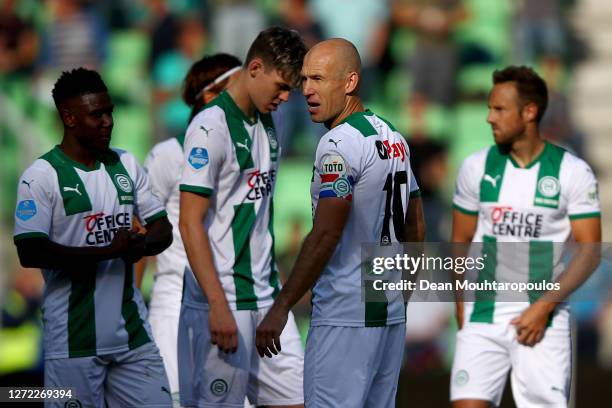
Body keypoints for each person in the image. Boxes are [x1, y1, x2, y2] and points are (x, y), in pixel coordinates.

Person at [256, 38, 426, 408]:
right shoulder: (393, 137)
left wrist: (282, 305)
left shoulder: (338, 144)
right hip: (387, 311)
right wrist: (401, 294)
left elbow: (326, 234)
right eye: (304, 80)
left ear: (349, 83)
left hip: (344, 313)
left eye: (318, 78)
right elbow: (416, 227)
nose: (307, 90)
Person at [13, 68, 173, 407]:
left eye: (110, 111)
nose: (108, 122)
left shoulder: (126, 164)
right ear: (69, 118)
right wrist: (107, 250)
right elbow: (30, 251)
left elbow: (162, 227)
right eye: (96, 114)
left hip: (133, 337)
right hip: (73, 344)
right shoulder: (40, 177)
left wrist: (138, 245)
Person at [450, 66, 601, 408]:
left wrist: (543, 307)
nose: (489, 118)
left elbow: (590, 251)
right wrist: (462, 308)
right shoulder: (476, 167)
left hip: (542, 320)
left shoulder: (571, 171)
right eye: (489, 108)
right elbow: (459, 241)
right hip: (483, 315)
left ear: (529, 112)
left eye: (499, 109)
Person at [177, 27, 307, 407]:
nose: (285, 98)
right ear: (254, 68)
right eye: (281, 87)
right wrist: (217, 304)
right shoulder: (209, 127)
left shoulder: (267, 120)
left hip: (267, 298)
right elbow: (189, 223)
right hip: (225, 301)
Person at [142, 52, 242, 407]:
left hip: (230, 302)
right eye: (237, 88)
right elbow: (143, 233)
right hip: (174, 303)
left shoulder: (245, 152)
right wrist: (133, 307)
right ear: (210, 96)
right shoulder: (169, 154)